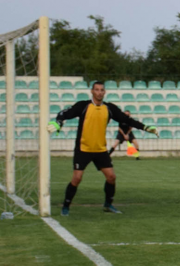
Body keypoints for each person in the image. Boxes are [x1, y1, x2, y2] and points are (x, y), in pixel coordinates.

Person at [47, 81, 157, 216]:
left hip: (100, 150)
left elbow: (127, 120)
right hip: (83, 149)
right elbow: (64, 113)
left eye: (102, 90)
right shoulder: (83, 106)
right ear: (92, 91)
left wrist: (145, 127)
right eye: (97, 90)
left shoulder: (109, 108)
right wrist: (58, 122)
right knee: (77, 178)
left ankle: (108, 205)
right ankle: (66, 206)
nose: (99, 92)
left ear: (104, 92)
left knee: (111, 177)